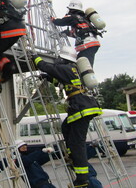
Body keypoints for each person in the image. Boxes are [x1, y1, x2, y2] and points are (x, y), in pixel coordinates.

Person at [31, 46, 102, 188]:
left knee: (78, 145)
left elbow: (45, 66)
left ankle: (82, 179)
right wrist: (47, 78)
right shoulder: (75, 70)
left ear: (63, 59)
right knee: (66, 127)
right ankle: (71, 151)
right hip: (83, 106)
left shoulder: (66, 68)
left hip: (81, 109)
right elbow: (61, 82)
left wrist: (35, 56)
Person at [51, 0, 100, 67]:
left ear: (72, 9)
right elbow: (82, 32)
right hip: (92, 44)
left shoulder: (73, 17)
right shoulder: (84, 18)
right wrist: (68, 33)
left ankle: (87, 76)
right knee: (80, 62)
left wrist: (53, 19)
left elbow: (60, 22)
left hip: (88, 45)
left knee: (84, 65)